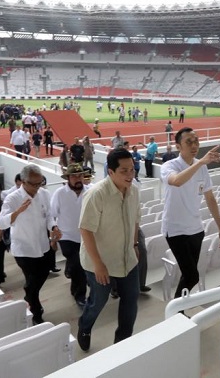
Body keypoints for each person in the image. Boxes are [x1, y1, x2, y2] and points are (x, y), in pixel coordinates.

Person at [77, 149, 141, 352]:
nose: (130, 175)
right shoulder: (97, 194)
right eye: (124, 171)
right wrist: (98, 264)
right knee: (98, 301)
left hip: (127, 258)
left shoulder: (134, 191)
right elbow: (85, 229)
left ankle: (121, 344)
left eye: (132, 169)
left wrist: (135, 245)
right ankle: (84, 327)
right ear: (110, 172)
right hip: (100, 261)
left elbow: (135, 221)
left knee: (131, 300)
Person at [161, 127, 220, 299]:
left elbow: (210, 198)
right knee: (192, 276)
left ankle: (178, 308)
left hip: (196, 229)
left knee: (188, 275)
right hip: (175, 230)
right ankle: (176, 310)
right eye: (188, 142)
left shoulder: (202, 167)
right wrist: (200, 163)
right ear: (178, 146)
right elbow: (176, 181)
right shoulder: (169, 166)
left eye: (196, 141)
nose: (194, 145)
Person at [0, 164, 61, 324]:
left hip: (42, 244)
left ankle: (29, 295)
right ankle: (36, 312)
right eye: (33, 184)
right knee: (32, 279)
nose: (37, 187)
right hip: (23, 248)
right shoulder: (13, 198)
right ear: (23, 181)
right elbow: (0, 223)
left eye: (40, 183)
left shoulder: (44, 194)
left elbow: (49, 216)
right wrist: (17, 212)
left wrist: (53, 227)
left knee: (42, 274)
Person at [51, 163, 89, 308]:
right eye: (74, 176)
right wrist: (53, 235)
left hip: (86, 237)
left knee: (79, 265)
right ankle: (80, 296)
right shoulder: (59, 194)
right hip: (66, 236)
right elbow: (52, 215)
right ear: (68, 178)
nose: (78, 179)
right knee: (79, 264)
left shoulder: (90, 191)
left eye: (80, 175)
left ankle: (74, 286)